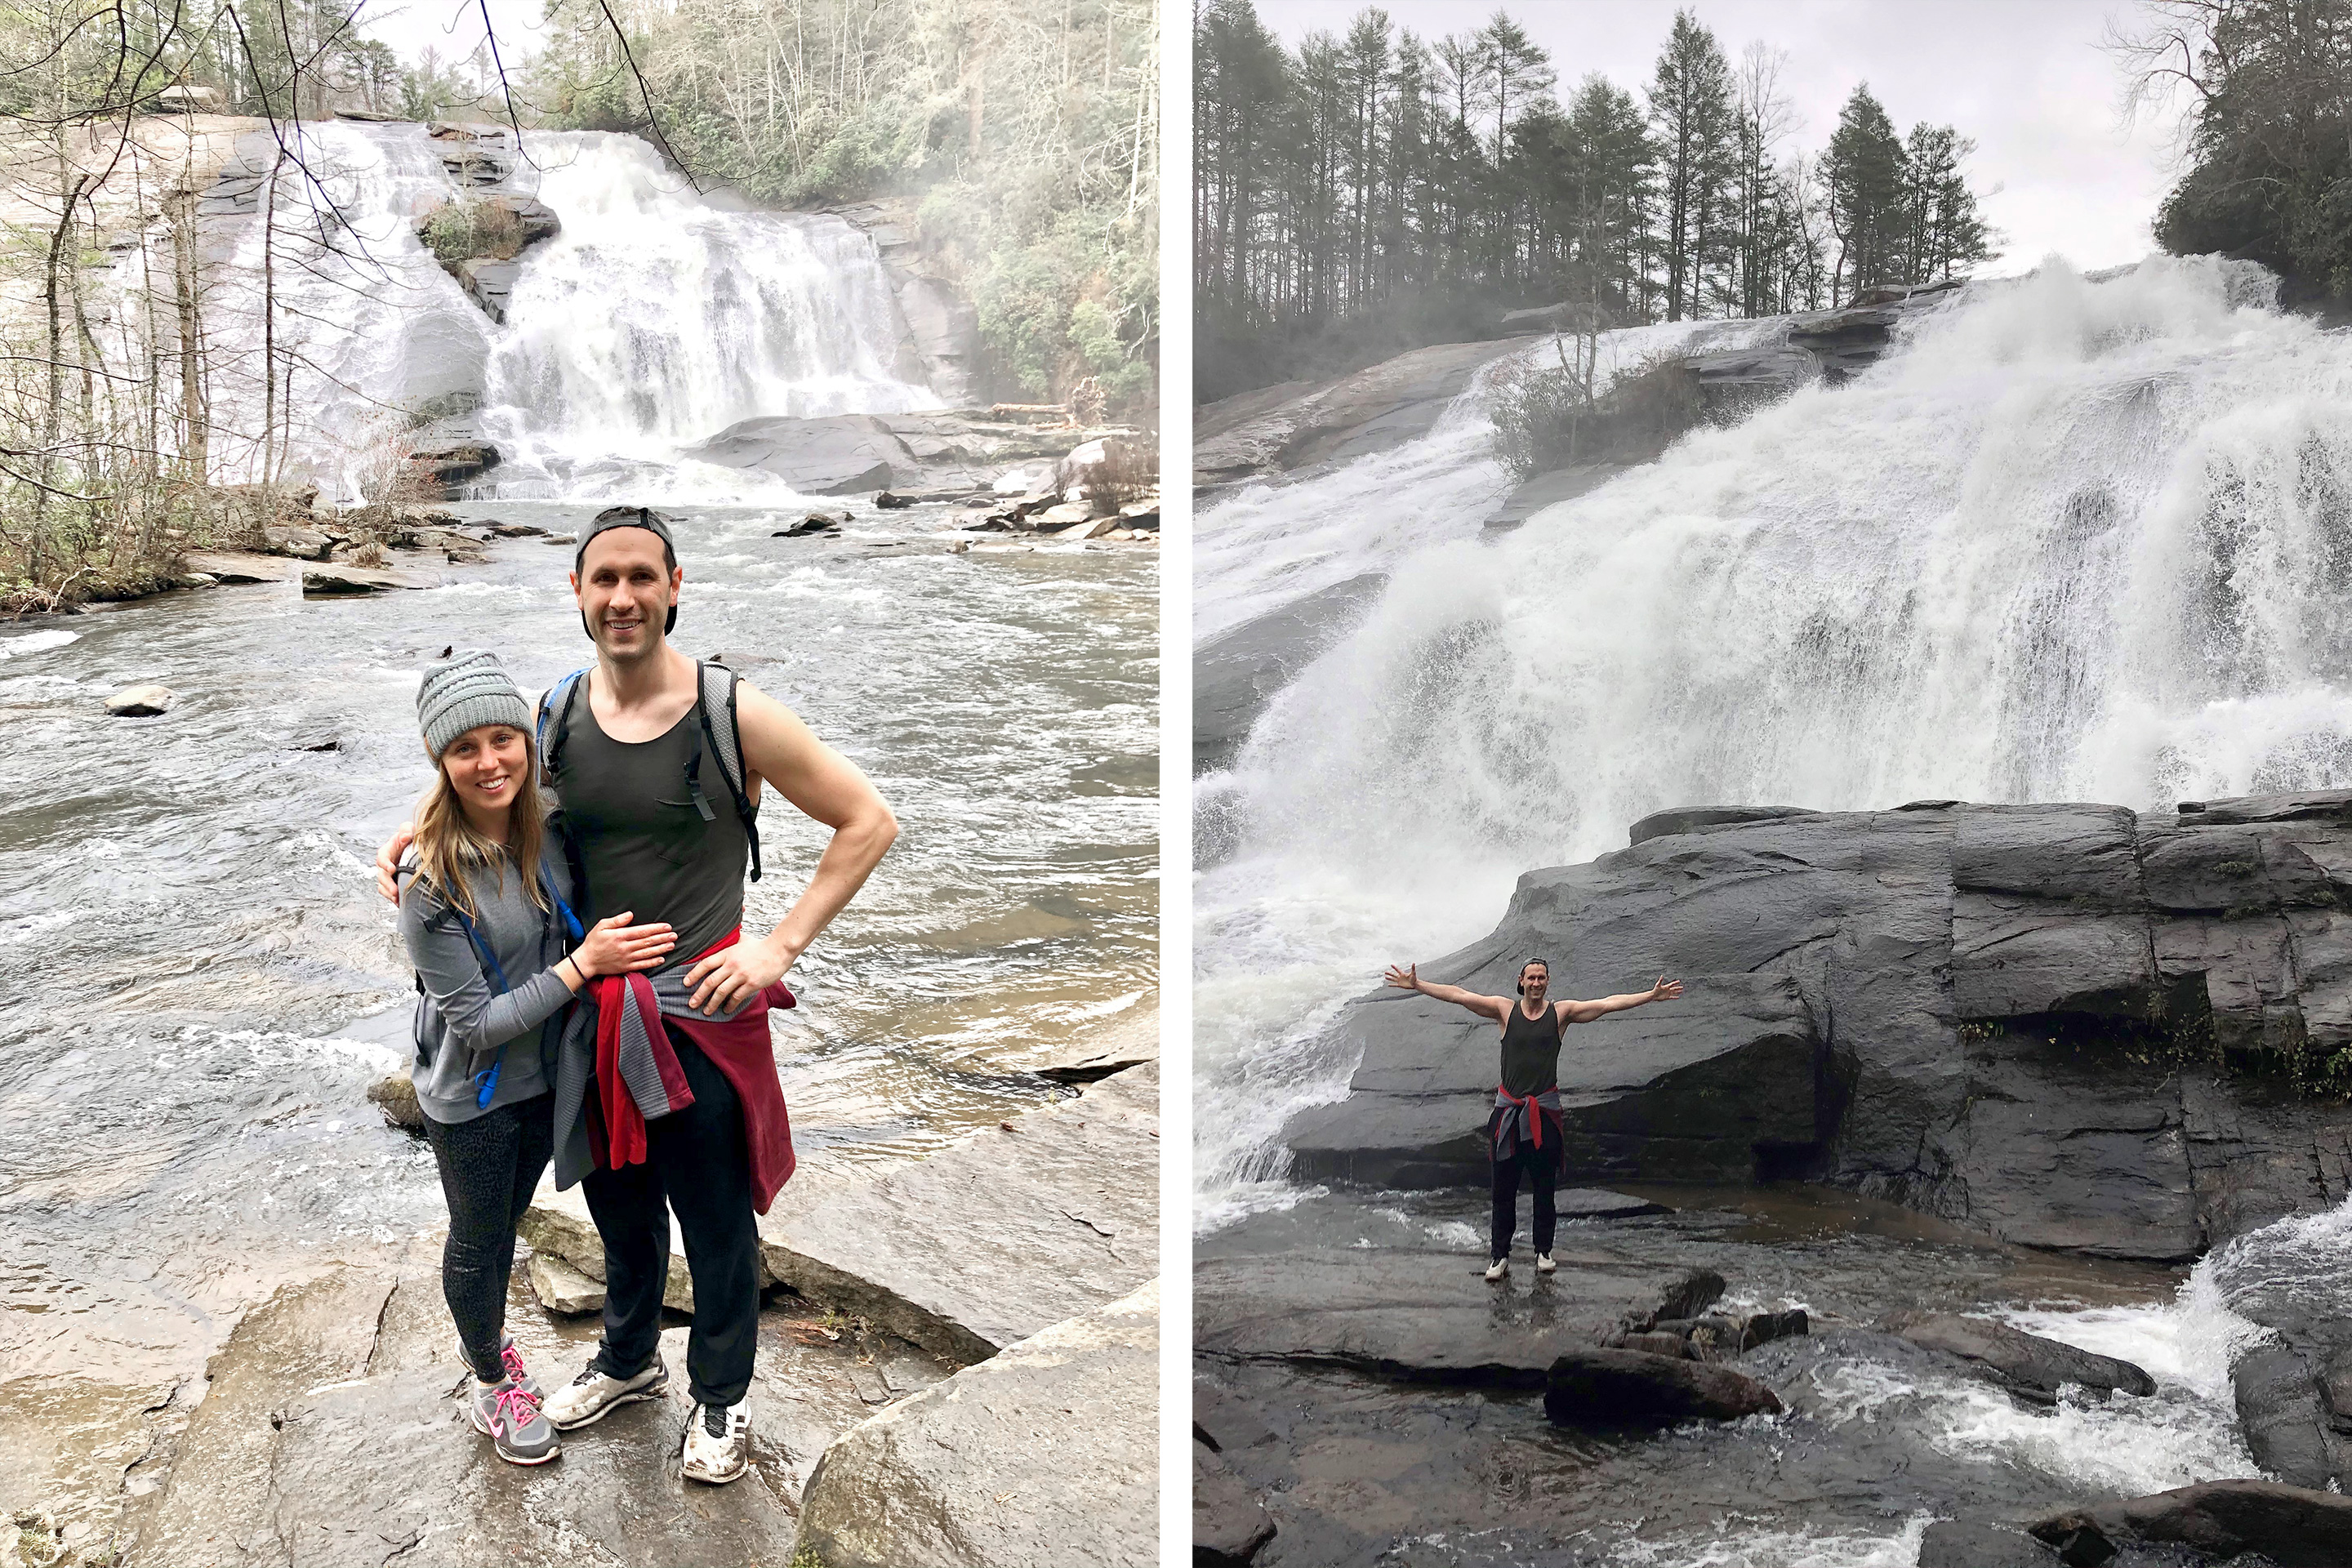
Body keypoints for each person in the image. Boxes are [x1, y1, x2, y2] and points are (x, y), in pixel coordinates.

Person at [377, 506, 898, 1486]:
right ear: (575, 593)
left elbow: (869, 821)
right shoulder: (558, 711)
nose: (623, 597)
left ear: (674, 586)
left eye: (641, 578)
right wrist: (415, 834)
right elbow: (490, 781)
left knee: (714, 1218)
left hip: (699, 1009)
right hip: (589, 1016)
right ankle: (628, 1361)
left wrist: (776, 948)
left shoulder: (732, 713)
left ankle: (723, 1396)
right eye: (603, 579)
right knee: (619, 1207)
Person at [395, 650, 679, 1466]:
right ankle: (491, 1377)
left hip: (551, 1079)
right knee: (480, 1242)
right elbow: (479, 1026)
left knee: (514, 1224)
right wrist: (586, 965)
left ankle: (569, 1361)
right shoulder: (430, 882)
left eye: (501, 740)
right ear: (439, 761)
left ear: (527, 741)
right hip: (476, 1097)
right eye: (464, 749)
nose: (489, 763)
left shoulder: (546, 824)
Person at [1382, 957, 1682, 1281]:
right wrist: (1418, 985)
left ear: (1547, 981)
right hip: (1508, 1115)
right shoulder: (1504, 1010)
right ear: (1521, 981)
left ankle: (1543, 1251)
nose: (1536, 983)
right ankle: (1499, 1256)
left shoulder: (1561, 1013)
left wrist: (1650, 996)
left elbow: (1607, 1004)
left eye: (1542, 978)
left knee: (1544, 1188)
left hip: (1545, 1115)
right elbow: (1460, 995)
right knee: (1503, 1190)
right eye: (1531, 978)